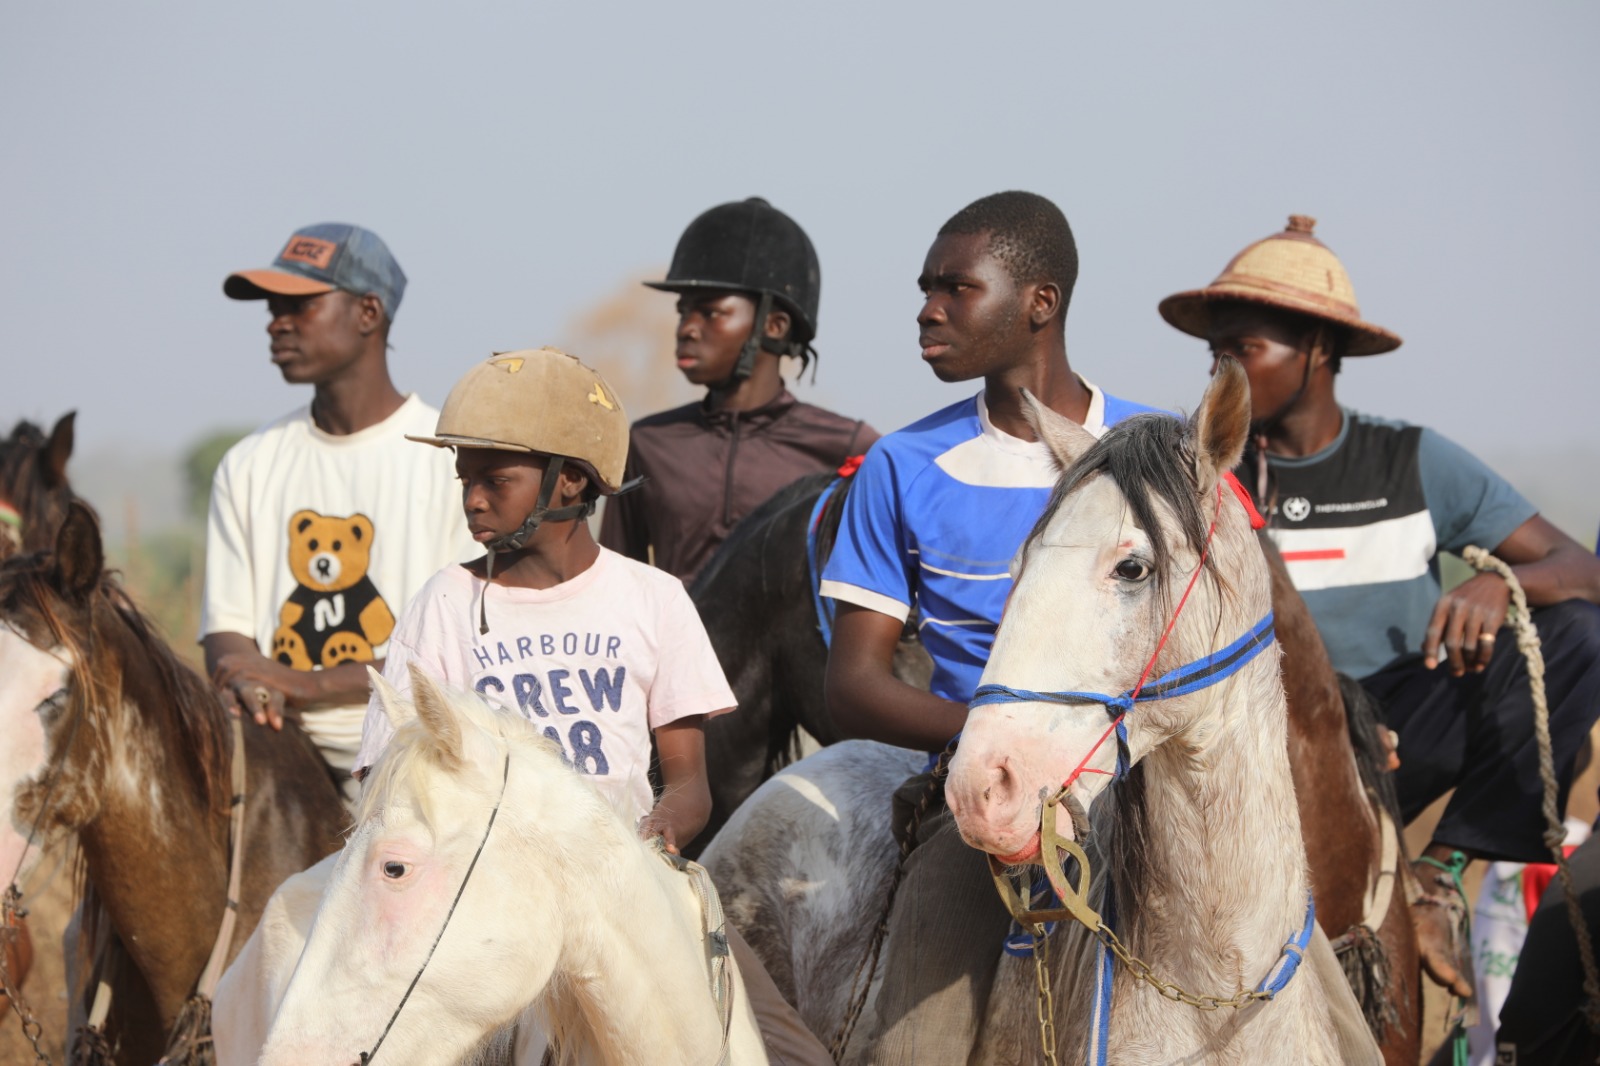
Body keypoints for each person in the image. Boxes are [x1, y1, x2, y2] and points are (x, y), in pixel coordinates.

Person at [1157, 214, 1600, 999]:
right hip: (1272, 732)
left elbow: (1582, 568)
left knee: (1577, 634)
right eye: (1214, 354)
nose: (1220, 374)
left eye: (1245, 351)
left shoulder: (1414, 461)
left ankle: (1439, 878)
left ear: (1320, 351)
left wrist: (1503, 581)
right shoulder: (1208, 476)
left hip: (1404, 723)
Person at [352, 347, 833, 1066]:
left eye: (495, 480)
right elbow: (384, 780)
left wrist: (659, 833)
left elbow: (689, 781)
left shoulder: (653, 599)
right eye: (466, 481)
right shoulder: (445, 604)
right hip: (487, 904)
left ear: (569, 478)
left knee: (793, 1055)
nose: (473, 500)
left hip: (628, 887)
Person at [819, 191, 1162, 1063]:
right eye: (926, 288)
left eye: (956, 288)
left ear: (1039, 303)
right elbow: (852, 684)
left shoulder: (1159, 455)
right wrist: (1005, 747)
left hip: (1155, 801)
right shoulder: (902, 464)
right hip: (984, 812)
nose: (928, 311)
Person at [200, 223, 474, 784]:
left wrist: (308, 683)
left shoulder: (452, 461)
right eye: (273, 307)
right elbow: (226, 631)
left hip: (416, 758)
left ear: (368, 312)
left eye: (298, 305)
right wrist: (251, 683)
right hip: (277, 757)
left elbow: (460, 650)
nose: (276, 321)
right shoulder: (249, 463)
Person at [599, 197, 878, 584]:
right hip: (671, 647)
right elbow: (613, 587)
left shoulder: (850, 447)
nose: (686, 328)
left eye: (711, 312)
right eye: (683, 311)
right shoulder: (648, 444)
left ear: (775, 326)